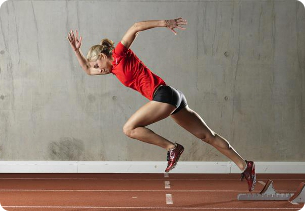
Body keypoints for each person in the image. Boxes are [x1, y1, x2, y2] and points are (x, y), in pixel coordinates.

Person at [67, 18, 256, 191]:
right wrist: (76, 50)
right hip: (172, 97)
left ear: (102, 55)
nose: (97, 70)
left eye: (97, 65)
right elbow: (86, 70)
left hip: (164, 95)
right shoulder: (113, 70)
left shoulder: (119, 54)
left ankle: (172, 148)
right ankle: (245, 166)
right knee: (207, 136)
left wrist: (164, 23)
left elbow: (135, 27)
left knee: (129, 128)